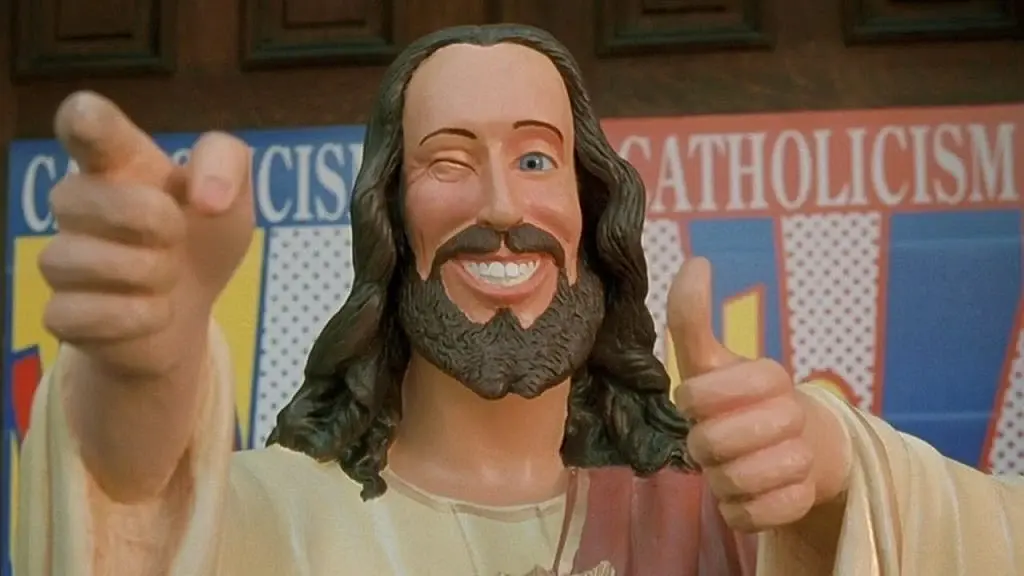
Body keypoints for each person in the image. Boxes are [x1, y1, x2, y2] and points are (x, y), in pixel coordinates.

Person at [14, 23, 1024, 576]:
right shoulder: (273, 523)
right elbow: (126, 524)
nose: (501, 206)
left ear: (591, 207)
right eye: (449, 162)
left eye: (536, 159)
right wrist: (143, 372)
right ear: (389, 218)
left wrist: (844, 474)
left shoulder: (720, 519)